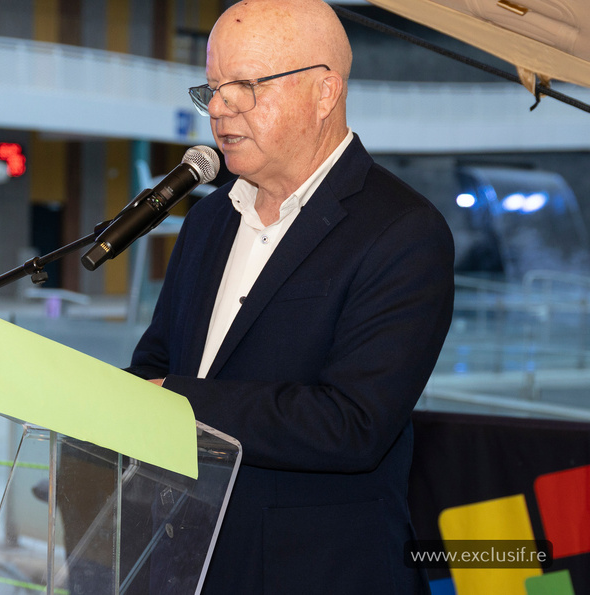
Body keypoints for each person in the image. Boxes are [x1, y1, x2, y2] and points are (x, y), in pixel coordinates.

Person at [127, 0, 455, 593]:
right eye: (214, 88)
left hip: (314, 572)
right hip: (181, 562)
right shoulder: (209, 221)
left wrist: (173, 403)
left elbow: (353, 424)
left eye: (245, 86)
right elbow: (158, 364)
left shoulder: (403, 230)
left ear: (324, 92)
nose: (220, 109)